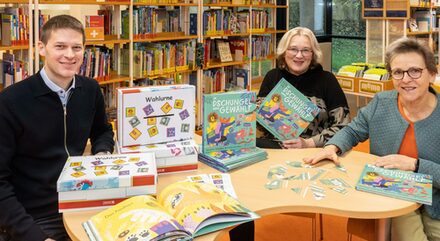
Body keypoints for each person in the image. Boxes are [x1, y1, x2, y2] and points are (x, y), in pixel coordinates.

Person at [304, 37, 440, 241]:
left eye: (415, 71)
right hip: (395, 195)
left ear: (432, 74)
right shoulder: (381, 103)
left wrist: (415, 165)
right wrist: (332, 147)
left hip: (436, 197)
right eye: (398, 72)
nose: (405, 79)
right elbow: (352, 131)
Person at [0, 15, 114, 241]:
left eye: (76, 47)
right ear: (41, 48)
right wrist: (35, 236)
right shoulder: (10, 102)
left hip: (83, 199)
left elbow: (102, 130)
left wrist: (102, 154)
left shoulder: (90, 90)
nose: (70, 55)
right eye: (60, 46)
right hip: (36, 216)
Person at [257, 27, 350, 149]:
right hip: (273, 149)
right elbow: (259, 123)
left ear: (313, 54)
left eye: (306, 50)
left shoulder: (327, 80)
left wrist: (308, 143)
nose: (299, 55)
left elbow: (344, 127)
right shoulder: (272, 76)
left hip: (312, 152)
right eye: (293, 49)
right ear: (284, 52)